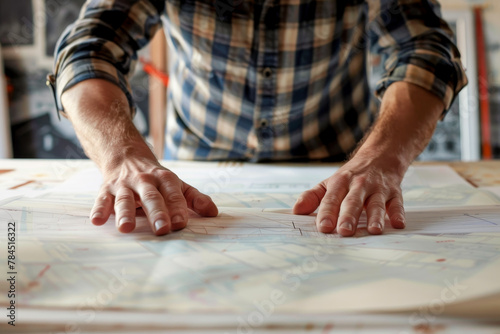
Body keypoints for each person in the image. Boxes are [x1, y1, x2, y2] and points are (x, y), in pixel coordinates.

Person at [49, 0, 467, 237]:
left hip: (342, 175)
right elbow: (89, 49)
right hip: (192, 176)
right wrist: (121, 155)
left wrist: (384, 159)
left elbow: (425, 49)